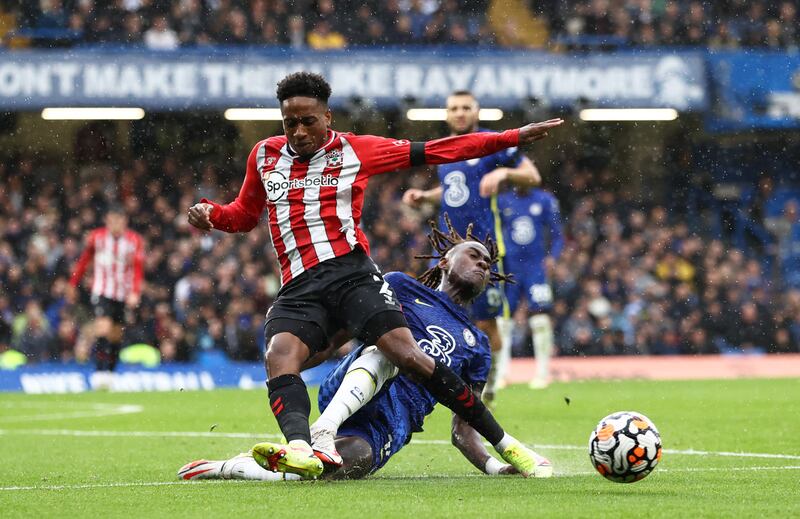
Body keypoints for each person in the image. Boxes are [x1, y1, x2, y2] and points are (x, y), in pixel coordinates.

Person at [187, 72, 562, 479]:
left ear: (327, 116)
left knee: (408, 355)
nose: (298, 131)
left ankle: (508, 444)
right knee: (279, 355)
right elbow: (243, 215)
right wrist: (213, 215)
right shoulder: (263, 155)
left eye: (308, 121)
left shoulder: (355, 150)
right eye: (289, 123)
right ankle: (300, 447)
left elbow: (439, 150)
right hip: (299, 284)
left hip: (351, 272)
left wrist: (507, 138)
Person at [178, 218, 552, 481]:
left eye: (487, 263)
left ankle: (231, 467)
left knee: (343, 467)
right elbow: (339, 335)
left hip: (394, 420)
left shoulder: (479, 345)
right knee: (393, 349)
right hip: (353, 383)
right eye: (473, 255)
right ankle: (322, 429)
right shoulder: (400, 286)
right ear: (443, 262)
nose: (482, 264)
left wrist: (493, 466)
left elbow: (462, 428)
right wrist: (297, 364)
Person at [401, 90, 541, 403]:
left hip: (482, 252)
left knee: (486, 322)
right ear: (447, 114)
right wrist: (426, 197)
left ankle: (486, 389)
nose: (460, 113)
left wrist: (504, 172)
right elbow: (454, 190)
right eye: (454, 108)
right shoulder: (444, 149)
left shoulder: (492, 142)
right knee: (425, 312)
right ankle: (427, 379)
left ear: (476, 112)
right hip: (446, 252)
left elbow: (532, 175)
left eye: (466, 107)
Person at [495, 186, 564, 390]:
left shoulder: (544, 200)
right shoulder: (502, 201)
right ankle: (501, 374)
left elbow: (557, 234)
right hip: (509, 269)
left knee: (541, 319)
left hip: (536, 268)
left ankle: (543, 373)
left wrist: (553, 257)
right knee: (503, 322)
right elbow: (494, 229)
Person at [69, 206, 144, 380]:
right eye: (111, 220)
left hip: (122, 294)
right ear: (107, 221)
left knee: (116, 335)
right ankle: (100, 371)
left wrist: (135, 292)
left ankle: (110, 372)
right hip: (102, 290)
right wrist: (73, 283)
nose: (115, 224)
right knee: (103, 328)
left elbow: (137, 268)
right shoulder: (97, 237)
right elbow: (83, 261)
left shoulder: (134, 240)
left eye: (118, 220)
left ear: (124, 222)